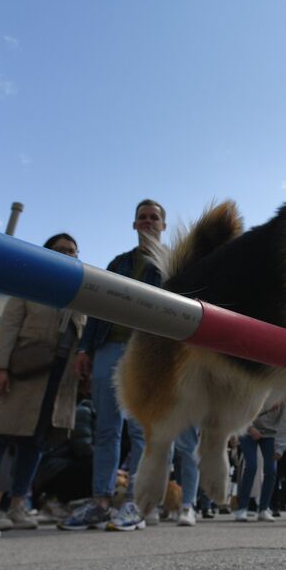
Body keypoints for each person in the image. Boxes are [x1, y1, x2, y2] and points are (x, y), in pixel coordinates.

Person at [0, 234, 86, 532]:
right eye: (60, 250)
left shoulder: (79, 292)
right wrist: (1, 368)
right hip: (23, 372)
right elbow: (7, 327)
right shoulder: (27, 283)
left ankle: (19, 504)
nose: (68, 255)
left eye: (72, 251)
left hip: (59, 380)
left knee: (36, 443)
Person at [63, 200, 166, 533]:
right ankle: (101, 501)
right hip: (108, 346)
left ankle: (137, 500)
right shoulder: (119, 263)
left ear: (162, 225)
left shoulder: (170, 264)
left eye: (154, 217)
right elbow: (98, 306)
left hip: (143, 350)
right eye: (143, 217)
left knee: (139, 428)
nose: (148, 222)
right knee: (106, 427)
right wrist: (85, 348)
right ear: (134, 225)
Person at [234, 396, 286, 522]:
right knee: (251, 465)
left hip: (271, 433)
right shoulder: (259, 383)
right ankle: (242, 508)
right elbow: (241, 407)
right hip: (248, 429)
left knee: (271, 470)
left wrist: (280, 448)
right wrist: (250, 428)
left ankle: (264, 509)